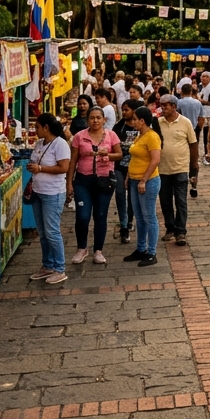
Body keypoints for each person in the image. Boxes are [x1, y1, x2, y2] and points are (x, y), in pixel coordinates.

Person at [67, 107, 122, 265]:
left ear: (104, 120)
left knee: (100, 216)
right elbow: (73, 161)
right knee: (83, 216)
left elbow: (119, 154)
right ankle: (81, 248)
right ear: (87, 120)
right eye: (92, 118)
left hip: (104, 181)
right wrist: (69, 183)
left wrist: (107, 155)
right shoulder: (79, 136)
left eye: (98, 118)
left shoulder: (111, 135)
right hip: (83, 181)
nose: (95, 121)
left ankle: (98, 250)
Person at [28, 113, 73, 285]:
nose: (36, 130)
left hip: (53, 193)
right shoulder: (39, 143)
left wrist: (40, 168)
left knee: (52, 231)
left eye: (38, 127)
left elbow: (63, 167)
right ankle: (47, 265)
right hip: (38, 192)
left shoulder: (60, 144)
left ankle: (60, 268)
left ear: (46, 127)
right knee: (43, 232)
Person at [157, 94, 198, 247]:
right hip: (162, 169)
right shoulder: (158, 123)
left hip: (180, 167)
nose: (163, 108)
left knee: (181, 201)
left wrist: (194, 167)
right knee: (165, 201)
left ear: (174, 106)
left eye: (166, 105)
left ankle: (181, 231)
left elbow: (193, 145)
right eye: (161, 105)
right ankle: (170, 228)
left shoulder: (185, 122)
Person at [124, 107, 162, 266]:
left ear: (142, 121)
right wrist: (128, 177)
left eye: (134, 119)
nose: (132, 122)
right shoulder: (139, 136)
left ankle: (151, 252)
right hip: (134, 179)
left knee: (149, 216)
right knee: (139, 217)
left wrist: (143, 180)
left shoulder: (152, 137)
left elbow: (155, 160)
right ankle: (140, 248)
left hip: (147, 181)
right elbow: (133, 158)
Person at [112, 98, 142, 243]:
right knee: (119, 194)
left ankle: (130, 220)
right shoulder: (118, 128)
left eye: (126, 110)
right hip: (119, 167)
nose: (123, 112)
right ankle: (123, 225)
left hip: (136, 169)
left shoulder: (141, 129)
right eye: (122, 110)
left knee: (132, 197)